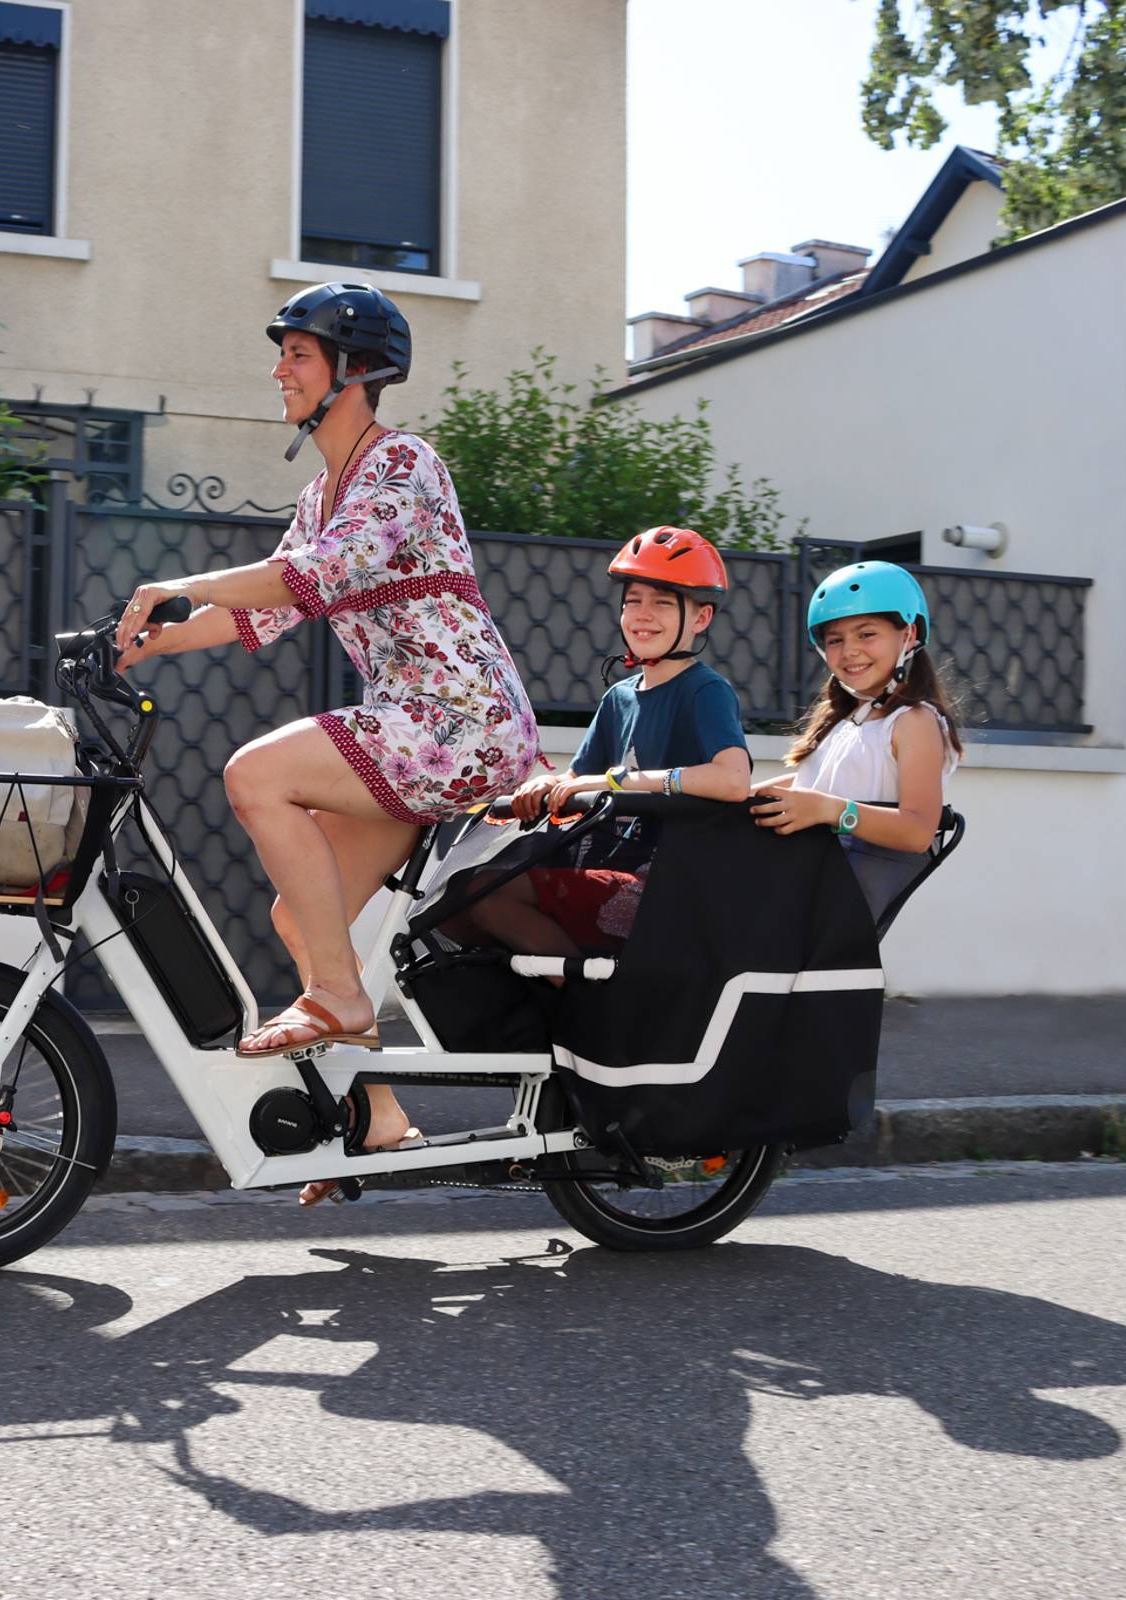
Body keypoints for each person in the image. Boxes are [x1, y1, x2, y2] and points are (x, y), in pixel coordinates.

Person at [112, 283, 539, 1202]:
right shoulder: (323, 493)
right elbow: (260, 616)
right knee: (298, 917)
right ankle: (380, 1116)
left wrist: (176, 584)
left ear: (353, 372)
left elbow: (317, 577)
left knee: (256, 774)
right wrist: (144, 641)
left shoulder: (404, 467)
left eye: (297, 355)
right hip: (417, 730)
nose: (280, 369)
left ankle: (340, 1002)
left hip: (460, 722)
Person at [455, 529, 752, 961]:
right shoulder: (619, 698)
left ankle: (583, 1007)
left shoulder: (705, 691)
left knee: (484, 893)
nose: (643, 615)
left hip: (665, 882)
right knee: (461, 903)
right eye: (633, 601)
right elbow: (580, 779)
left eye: (663, 602)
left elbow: (733, 781)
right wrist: (548, 785)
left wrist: (622, 781)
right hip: (608, 863)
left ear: (702, 618)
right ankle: (569, 1003)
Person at [750, 560, 962, 916]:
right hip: (800, 880)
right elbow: (820, 781)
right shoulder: (846, 718)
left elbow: (918, 831)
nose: (849, 650)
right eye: (835, 640)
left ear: (908, 635)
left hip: (834, 902)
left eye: (866, 634)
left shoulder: (913, 721)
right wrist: (749, 794)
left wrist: (829, 810)